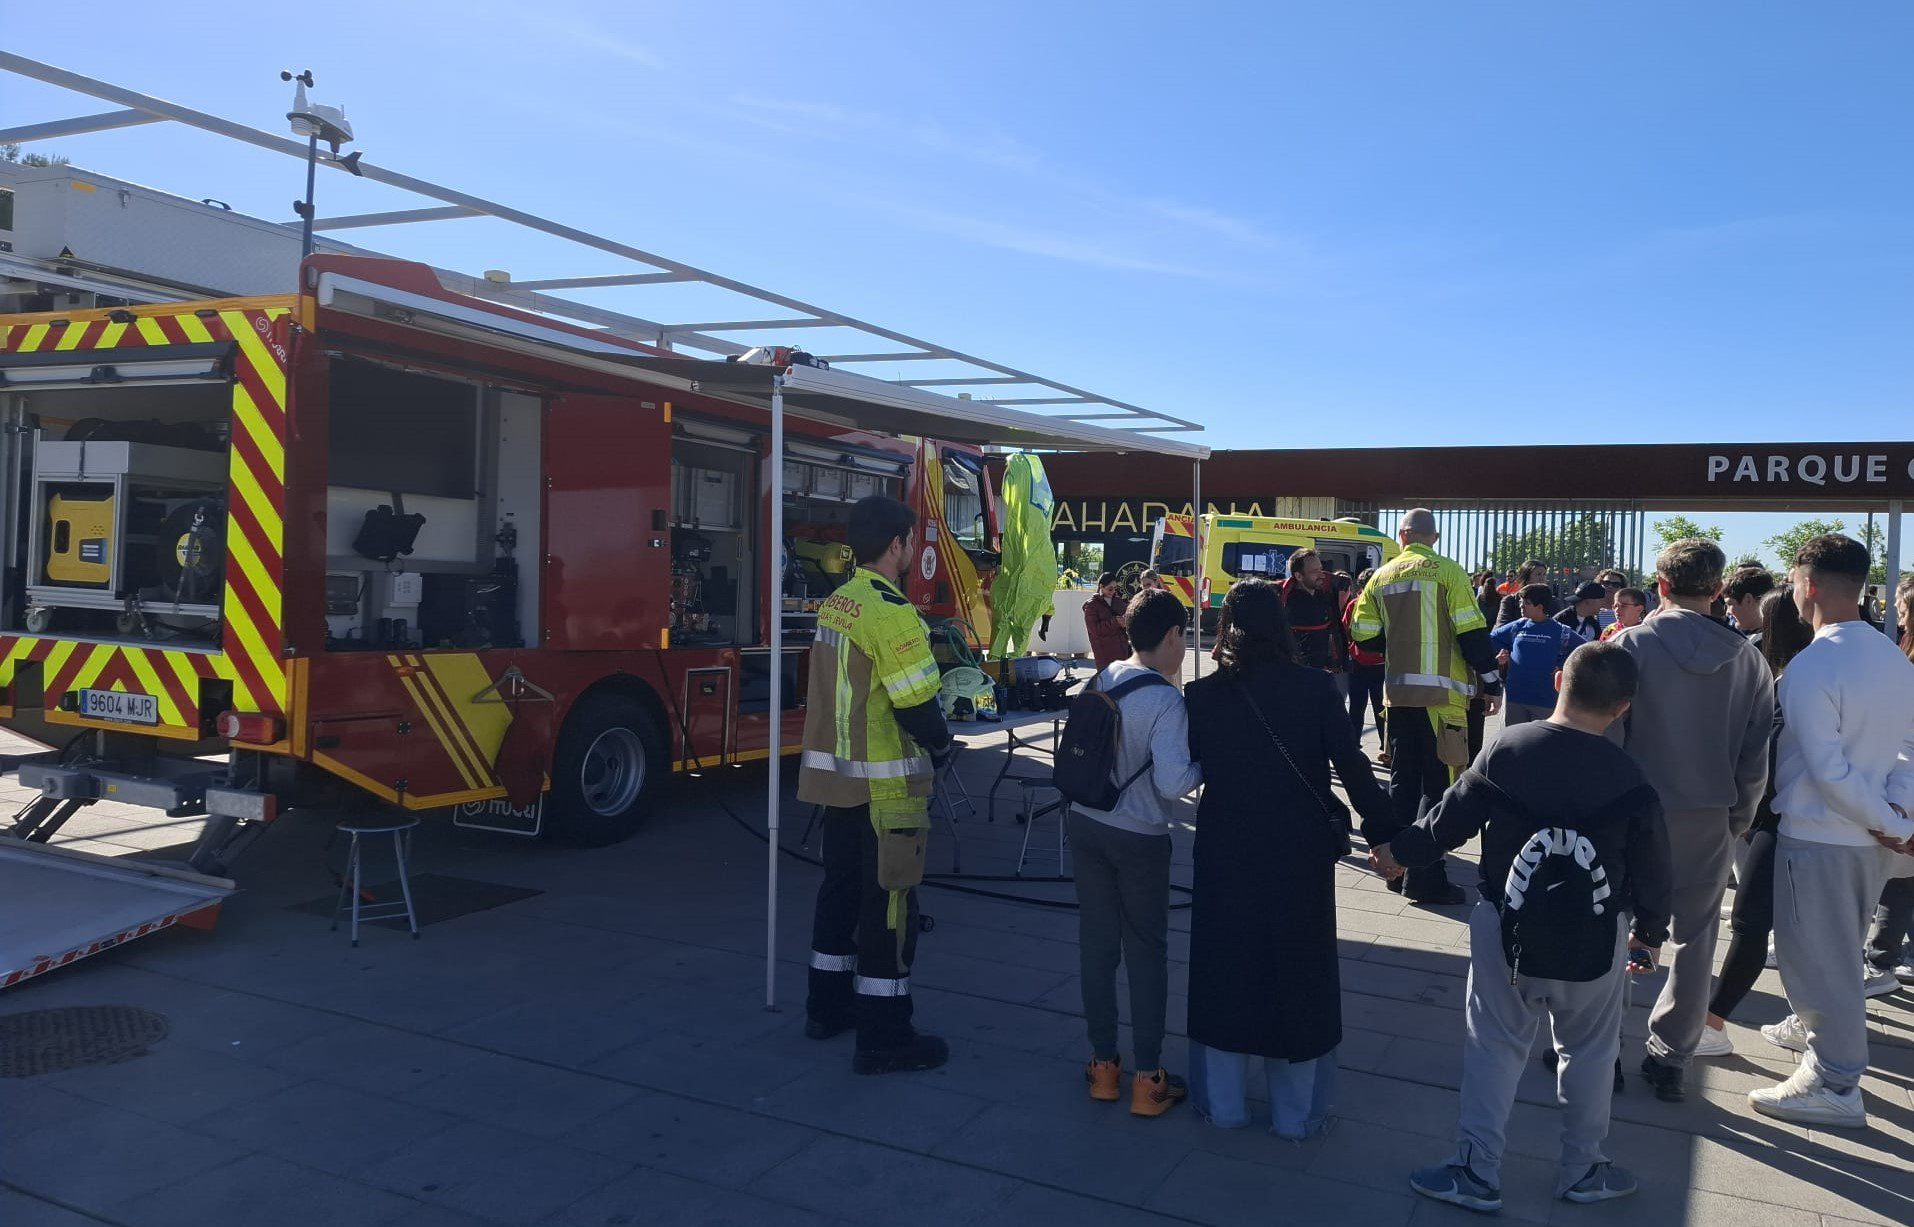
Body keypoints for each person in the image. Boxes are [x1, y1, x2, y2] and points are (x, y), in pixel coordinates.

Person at [1383, 643, 1671, 1213]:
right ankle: (1583, 1167)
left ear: (1560, 679)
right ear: (1623, 707)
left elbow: (1449, 819)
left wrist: (1399, 853)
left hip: (1506, 928)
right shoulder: (1631, 777)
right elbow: (1655, 865)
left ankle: (1476, 1170)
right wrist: (1650, 933)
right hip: (1597, 933)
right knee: (1590, 1051)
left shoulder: (1508, 750)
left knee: (1494, 1045)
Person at [1184, 579, 1393, 1138]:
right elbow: (1354, 771)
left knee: (1225, 971)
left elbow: (1189, 770)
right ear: (1281, 627)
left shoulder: (1202, 697)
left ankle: (1224, 1108)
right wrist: (1386, 838)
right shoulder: (1316, 690)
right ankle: (1295, 1116)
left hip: (1226, 853)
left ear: (1225, 630)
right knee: (1298, 973)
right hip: (1298, 853)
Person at [1749, 535, 1914, 1128]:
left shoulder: (1813, 665)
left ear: (1809, 584)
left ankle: (1836, 1081)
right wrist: (1898, 819)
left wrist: (1886, 819)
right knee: (1836, 953)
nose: (1790, 590)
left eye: (1793, 579)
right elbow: (1907, 750)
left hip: (1823, 834)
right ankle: (1823, 1043)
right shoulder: (1892, 656)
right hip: (1871, 838)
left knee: (1816, 958)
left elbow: (1826, 769)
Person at [1608, 538, 1775, 1103]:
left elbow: (1607, 737)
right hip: (1709, 813)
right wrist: (1739, 818)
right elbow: (1756, 755)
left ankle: (1597, 1044)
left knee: (1612, 922)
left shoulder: (1629, 645)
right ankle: (1672, 1051)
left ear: (1660, 585)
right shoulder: (1749, 660)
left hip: (1632, 811)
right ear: (1719, 590)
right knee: (1698, 936)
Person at [800, 496, 955, 1074]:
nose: (913, 551)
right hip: (885, 793)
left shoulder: (836, 604)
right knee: (889, 909)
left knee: (838, 896)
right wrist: (942, 746)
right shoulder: (893, 613)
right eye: (911, 541)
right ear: (897, 545)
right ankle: (884, 1034)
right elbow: (916, 704)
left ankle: (826, 1008)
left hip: (837, 785)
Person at [1071, 588, 1202, 1116]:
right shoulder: (1167, 700)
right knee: (1145, 951)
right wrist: (1205, 766)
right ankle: (1148, 1080)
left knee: (1096, 947)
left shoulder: (1101, 679)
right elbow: (1173, 785)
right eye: (1184, 637)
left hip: (1085, 824)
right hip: (1140, 838)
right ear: (1172, 635)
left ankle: (1104, 1068)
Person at [1350, 509, 1504, 906]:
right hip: (1444, 700)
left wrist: (1399, 647)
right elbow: (1471, 631)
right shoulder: (1449, 572)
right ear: (1432, 538)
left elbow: (1362, 634)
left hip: (1399, 697)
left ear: (1402, 536)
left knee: (1403, 785)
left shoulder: (1381, 577)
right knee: (1437, 790)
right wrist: (1490, 681)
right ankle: (1426, 880)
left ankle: (1395, 870)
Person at [1695, 589, 1814, 1056]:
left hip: (1782, 817)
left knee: (1750, 922)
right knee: (1808, 931)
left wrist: (1746, 810)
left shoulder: (1789, 679)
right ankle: (1807, 1021)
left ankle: (1713, 1024)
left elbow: (1768, 756)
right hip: (1832, 823)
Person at [1489, 584, 1585, 726]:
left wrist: (1562, 665)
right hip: (1516, 697)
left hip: (1545, 698)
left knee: (1542, 741)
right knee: (1516, 740)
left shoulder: (1561, 631)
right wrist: (1503, 653)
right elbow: (1492, 639)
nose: (1521, 606)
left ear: (1540, 607)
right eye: (1521, 602)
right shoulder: (1517, 626)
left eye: (1527, 603)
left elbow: (1583, 650)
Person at [1281, 548, 1350, 700]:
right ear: (1298, 576)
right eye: (1314, 571)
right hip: (1298, 674)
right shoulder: (1288, 602)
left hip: (1326, 670)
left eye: (1321, 569)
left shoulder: (1325, 594)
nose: (1321, 575)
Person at [1345, 567, 1387, 762]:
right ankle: (1385, 746)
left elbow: (1346, 628)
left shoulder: (1354, 604)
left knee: (1356, 707)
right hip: (1381, 663)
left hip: (1358, 662)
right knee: (1382, 707)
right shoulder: (1386, 604)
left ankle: (1352, 746)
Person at [1084, 572, 1130, 670]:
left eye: (1115, 588)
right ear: (1101, 586)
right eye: (1110, 588)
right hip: (1105, 655)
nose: (1113, 591)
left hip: (1122, 653)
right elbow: (1094, 630)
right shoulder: (1091, 605)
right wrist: (1115, 622)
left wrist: (1127, 621)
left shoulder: (1118, 602)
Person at [1494, 561, 1554, 628]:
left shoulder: (1553, 601)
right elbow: (1501, 630)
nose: (1542, 578)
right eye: (1538, 574)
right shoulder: (1510, 601)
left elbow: (1558, 629)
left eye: (1544, 574)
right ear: (1526, 578)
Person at [1726, 568, 1777, 644]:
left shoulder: (1761, 644)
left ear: (1748, 600)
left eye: (1730, 604)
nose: (1728, 612)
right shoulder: (1782, 633)